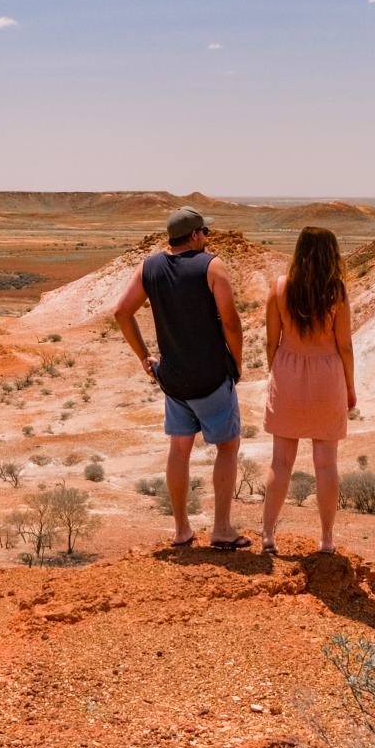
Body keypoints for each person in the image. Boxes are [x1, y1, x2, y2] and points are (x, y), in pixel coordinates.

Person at [112, 205, 249, 549]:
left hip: (172, 379)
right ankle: (221, 529)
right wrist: (238, 362)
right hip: (211, 377)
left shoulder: (149, 267)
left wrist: (145, 358)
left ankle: (181, 530)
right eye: (206, 231)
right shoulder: (211, 265)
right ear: (195, 235)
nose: (208, 237)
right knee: (228, 448)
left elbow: (121, 312)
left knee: (179, 449)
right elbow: (231, 321)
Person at [259, 226, 355, 555]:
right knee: (326, 464)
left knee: (281, 462)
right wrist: (350, 388)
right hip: (328, 377)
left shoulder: (280, 288)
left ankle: (268, 536)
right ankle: (327, 540)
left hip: (288, 373)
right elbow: (344, 346)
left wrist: (278, 373)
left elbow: (272, 341)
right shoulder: (336, 292)